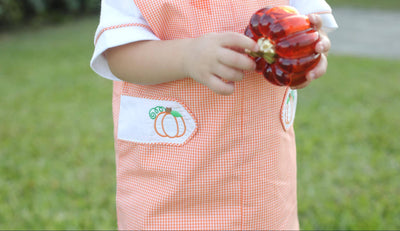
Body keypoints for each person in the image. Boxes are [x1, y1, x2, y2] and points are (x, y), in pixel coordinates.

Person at [90, 0, 338, 230]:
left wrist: (312, 51)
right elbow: (118, 54)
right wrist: (186, 56)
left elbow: (310, 26)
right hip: (173, 188)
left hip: (262, 178)